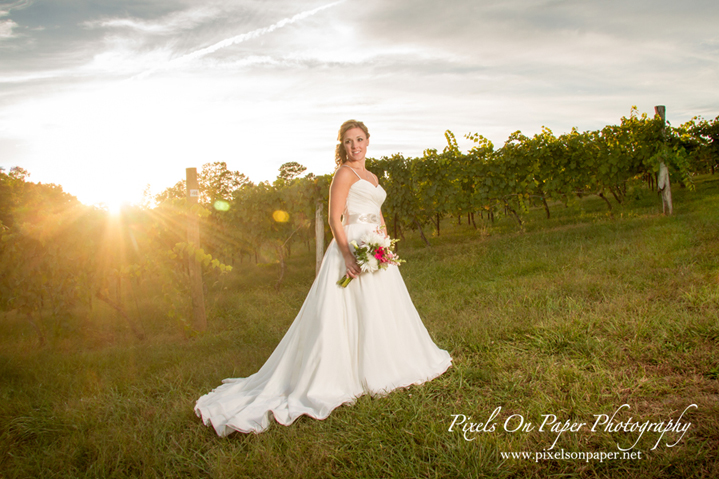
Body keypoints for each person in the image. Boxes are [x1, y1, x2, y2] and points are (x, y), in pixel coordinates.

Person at [195, 120, 452, 436]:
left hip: (376, 246)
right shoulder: (344, 174)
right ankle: (343, 371)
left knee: (382, 307)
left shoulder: (372, 177)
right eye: (348, 141)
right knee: (346, 309)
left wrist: (385, 243)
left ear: (368, 141)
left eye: (359, 139)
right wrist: (347, 254)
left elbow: (379, 214)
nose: (354, 146)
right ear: (343, 146)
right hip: (352, 243)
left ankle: (388, 360)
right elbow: (335, 217)